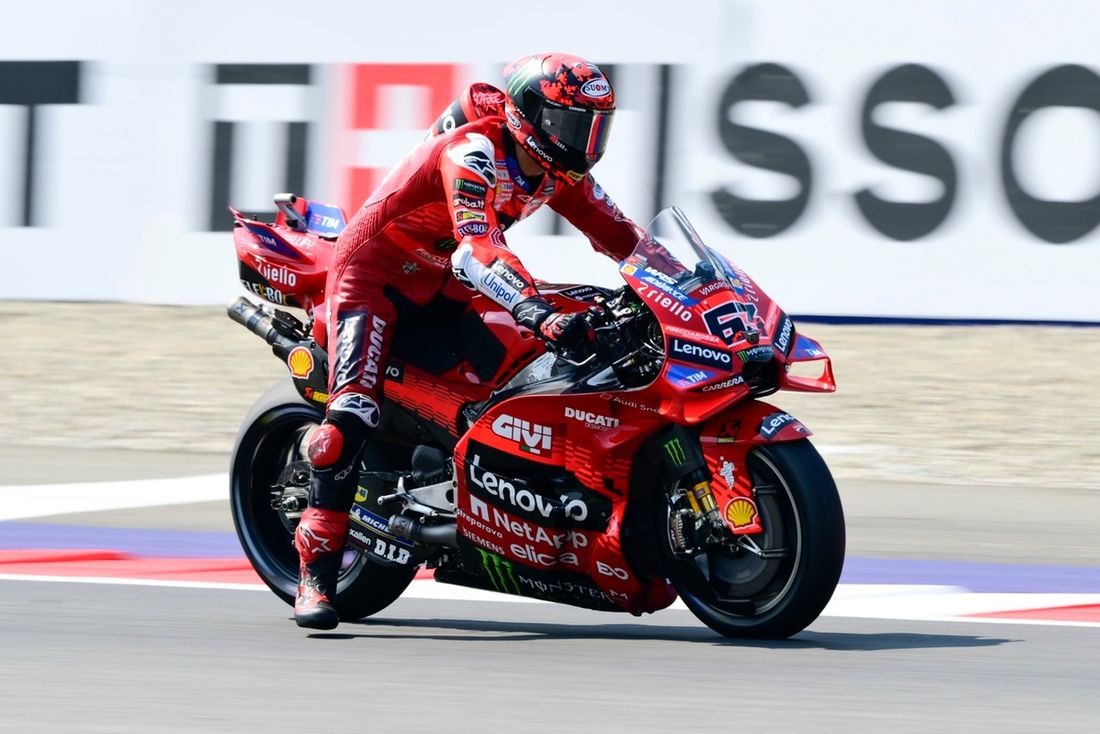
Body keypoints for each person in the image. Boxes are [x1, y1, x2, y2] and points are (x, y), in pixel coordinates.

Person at [293, 52, 651, 629]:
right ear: (531, 117)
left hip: (440, 286)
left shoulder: (560, 172)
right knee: (350, 416)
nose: (583, 140)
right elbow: (476, 247)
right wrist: (533, 306)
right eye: (570, 124)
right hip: (374, 279)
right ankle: (315, 574)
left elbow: (620, 234)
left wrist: (681, 282)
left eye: (594, 125)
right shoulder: (475, 152)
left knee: (521, 378)